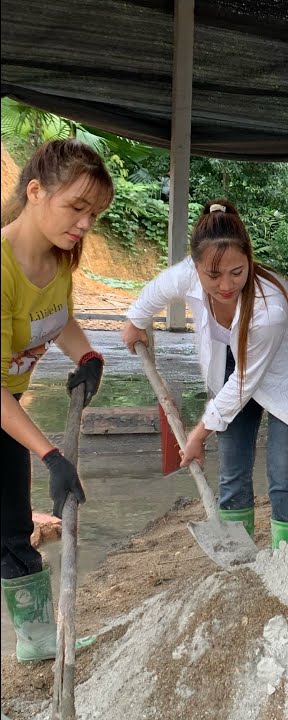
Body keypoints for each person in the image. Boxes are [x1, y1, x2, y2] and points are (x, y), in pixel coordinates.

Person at [123, 199, 288, 549]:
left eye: (237, 272)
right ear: (196, 268)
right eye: (213, 275)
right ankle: (238, 553)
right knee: (232, 471)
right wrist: (136, 323)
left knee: (283, 472)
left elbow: (244, 383)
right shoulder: (186, 274)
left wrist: (198, 433)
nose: (226, 285)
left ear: (249, 260)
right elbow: (155, 292)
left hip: (286, 373)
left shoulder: (269, 308)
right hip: (233, 364)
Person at [1, 138, 113, 661]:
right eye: (77, 207)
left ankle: (38, 639)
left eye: (94, 213)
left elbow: (59, 317)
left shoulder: (58, 257)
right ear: (35, 191)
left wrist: (85, 355)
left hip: (8, 408)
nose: (85, 223)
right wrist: (50, 455)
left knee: (11, 527)